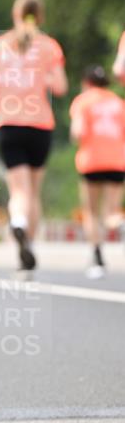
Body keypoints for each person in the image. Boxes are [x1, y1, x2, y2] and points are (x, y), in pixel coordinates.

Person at [0, 0, 67, 273]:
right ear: (39, 17)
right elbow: (60, 87)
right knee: (34, 191)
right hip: (39, 124)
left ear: (15, 14)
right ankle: (28, 242)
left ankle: (17, 222)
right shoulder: (49, 46)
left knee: (19, 189)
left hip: (8, 123)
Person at [69, 66, 125, 278]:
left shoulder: (83, 101)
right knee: (111, 211)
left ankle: (97, 256)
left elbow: (78, 132)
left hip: (91, 161)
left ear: (87, 82)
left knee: (91, 211)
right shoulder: (118, 103)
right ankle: (119, 224)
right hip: (117, 160)